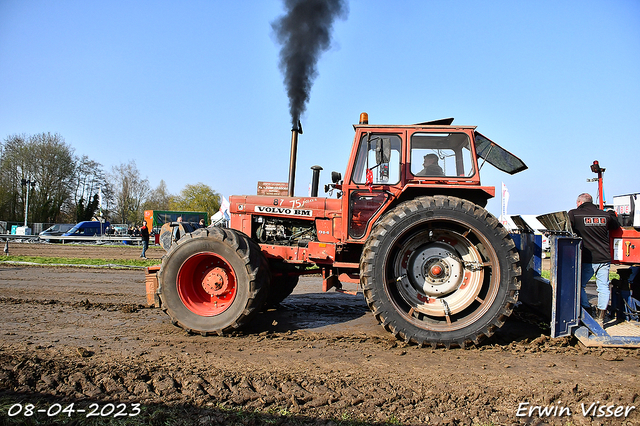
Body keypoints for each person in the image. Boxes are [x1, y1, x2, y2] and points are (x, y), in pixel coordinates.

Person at [568, 193, 620, 324]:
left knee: (580, 286)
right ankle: (601, 317)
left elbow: (567, 229)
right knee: (603, 287)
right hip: (604, 257)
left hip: (587, 258)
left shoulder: (574, 214)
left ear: (579, 202)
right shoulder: (605, 215)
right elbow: (616, 225)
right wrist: (612, 213)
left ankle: (587, 309)